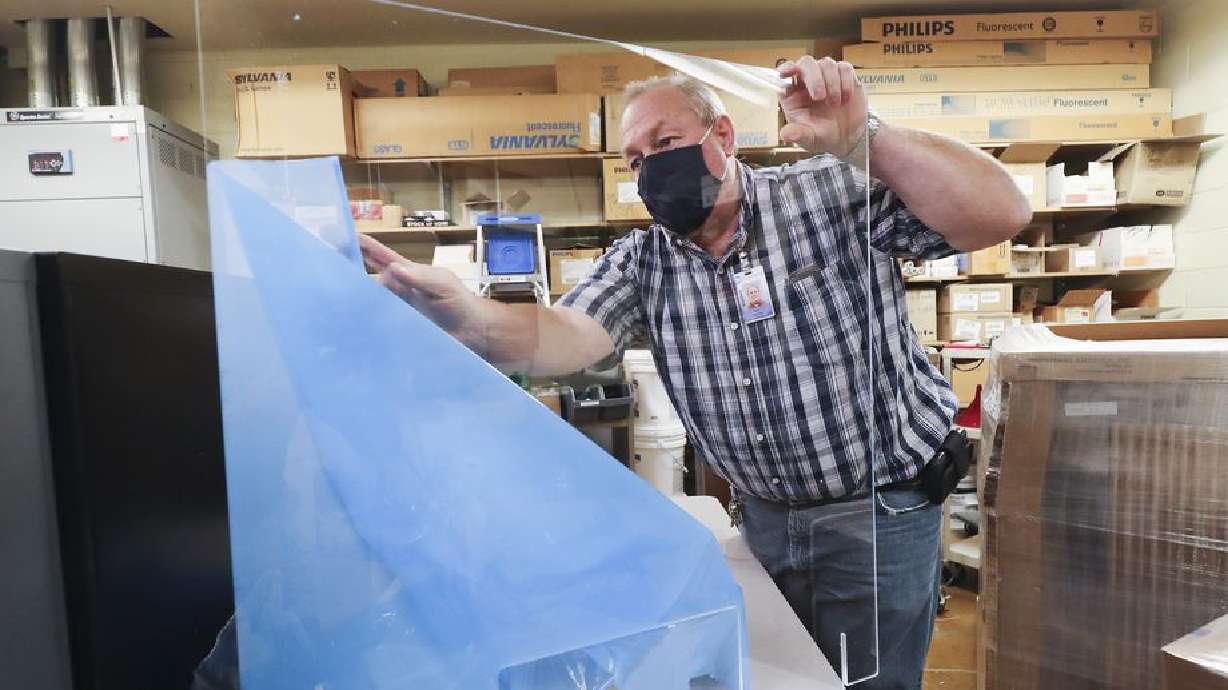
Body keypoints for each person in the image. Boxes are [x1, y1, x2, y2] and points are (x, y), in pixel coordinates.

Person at [360, 55, 1031, 689]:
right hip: (765, 521)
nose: (651, 165)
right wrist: (466, 317)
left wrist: (864, 136)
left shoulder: (825, 194)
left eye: (665, 139)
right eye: (634, 158)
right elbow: (566, 337)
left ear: (723, 134)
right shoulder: (642, 261)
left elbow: (1000, 214)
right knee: (783, 676)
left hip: (877, 514)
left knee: (870, 681)